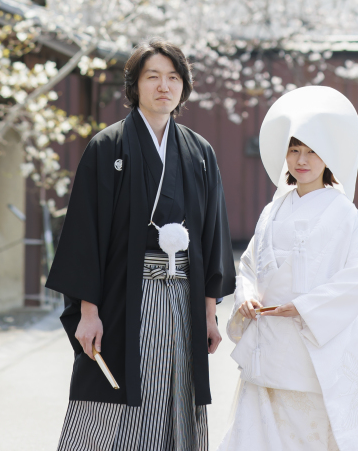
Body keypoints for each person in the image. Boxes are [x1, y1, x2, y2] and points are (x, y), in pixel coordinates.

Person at [46, 38, 236, 451]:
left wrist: (209, 313)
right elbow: (85, 233)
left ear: (183, 87)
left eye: (173, 78)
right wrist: (88, 312)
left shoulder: (199, 152)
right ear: (134, 87)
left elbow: (212, 235)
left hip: (183, 297)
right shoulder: (108, 146)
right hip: (123, 297)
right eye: (153, 77)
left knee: (175, 391)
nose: (163, 86)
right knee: (117, 389)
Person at [218, 85, 358, 451]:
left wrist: (305, 307)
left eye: (311, 152)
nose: (301, 160)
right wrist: (246, 296)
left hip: (311, 347)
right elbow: (249, 264)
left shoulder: (342, 212)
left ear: (328, 158)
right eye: (294, 150)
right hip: (270, 339)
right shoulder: (273, 209)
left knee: (308, 433)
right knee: (261, 429)